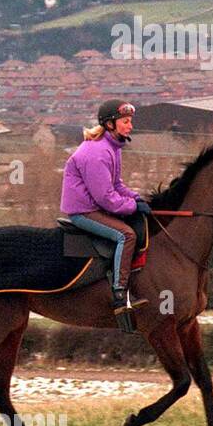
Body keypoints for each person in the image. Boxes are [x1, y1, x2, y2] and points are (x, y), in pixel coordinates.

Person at [60, 99, 152, 324]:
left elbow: (117, 185)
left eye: (130, 121)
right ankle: (119, 293)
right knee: (126, 235)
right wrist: (132, 207)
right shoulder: (97, 153)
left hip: (95, 207)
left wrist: (137, 198)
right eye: (126, 122)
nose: (130, 126)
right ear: (110, 124)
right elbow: (106, 198)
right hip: (83, 212)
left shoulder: (111, 147)